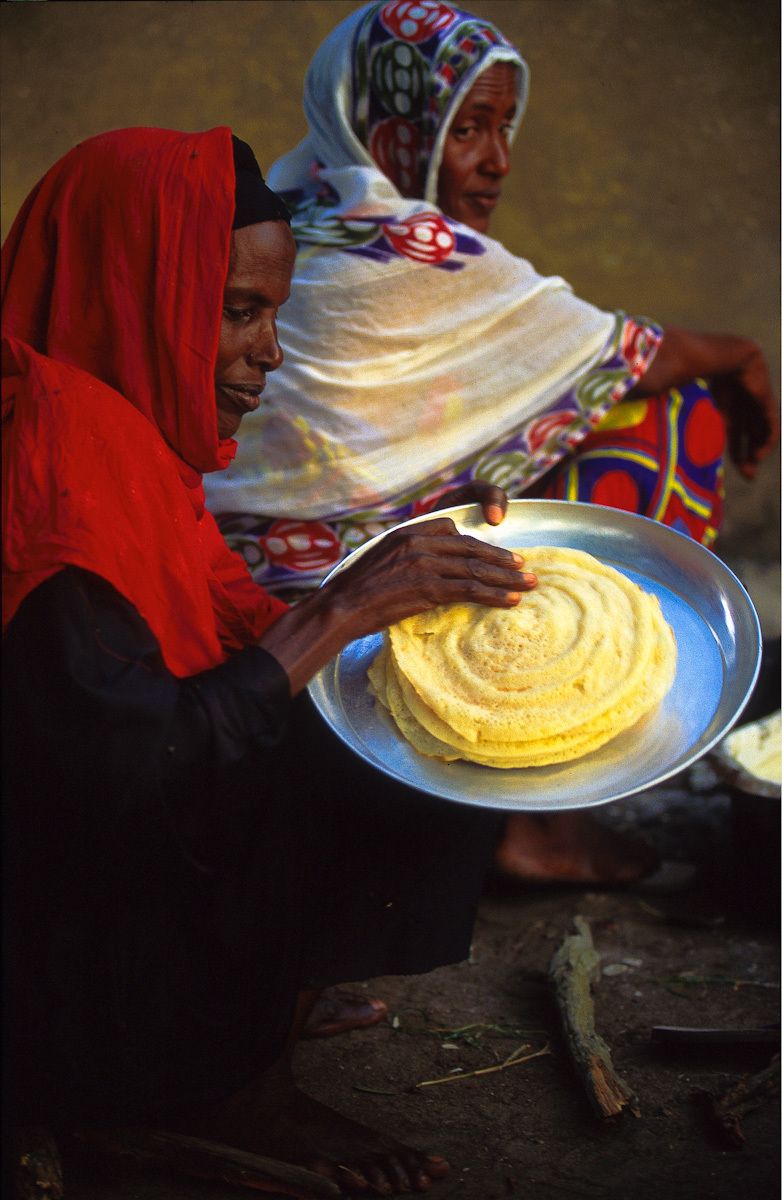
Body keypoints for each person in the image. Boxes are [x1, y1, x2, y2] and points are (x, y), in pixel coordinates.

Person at [2, 126, 539, 1195]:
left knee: (429, 700)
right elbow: (114, 774)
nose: (269, 350)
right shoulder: (56, 486)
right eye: (240, 311)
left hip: (99, 862)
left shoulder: (112, 432)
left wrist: (387, 590)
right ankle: (166, 1086)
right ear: (132, 286)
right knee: (365, 743)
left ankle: (253, 1018)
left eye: (271, 314)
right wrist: (336, 612)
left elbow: (222, 631)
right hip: (48, 932)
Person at [204, 0, 777, 894]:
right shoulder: (412, 247)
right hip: (330, 629)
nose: (497, 160)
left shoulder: (289, 212)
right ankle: (539, 818)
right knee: (675, 415)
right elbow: (626, 355)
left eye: (505, 126)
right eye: (466, 127)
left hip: (231, 605)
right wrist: (741, 359)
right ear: (387, 127)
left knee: (553, 439)